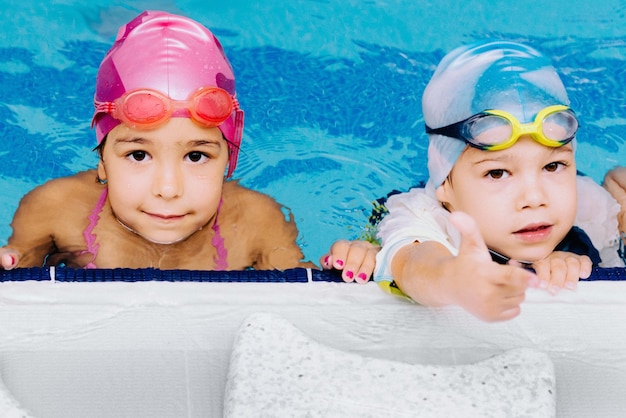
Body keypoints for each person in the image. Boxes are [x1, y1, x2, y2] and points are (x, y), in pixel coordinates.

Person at [0, 10, 376, 276]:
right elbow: (18, 281)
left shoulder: (257, 223)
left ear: (229, 158)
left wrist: (359, 259)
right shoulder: (55, 209)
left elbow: (307, 304)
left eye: (196, 155)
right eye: (138, 154)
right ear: (102, 160)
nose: (168, 189)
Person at [372, 41, 623, 322]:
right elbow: (412, 264)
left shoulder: (586, 204)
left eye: (553, 165)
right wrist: (456, 280)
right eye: (497, 173)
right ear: (445, 183)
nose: (534, 198)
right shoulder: (421, 215)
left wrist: (568, 262)